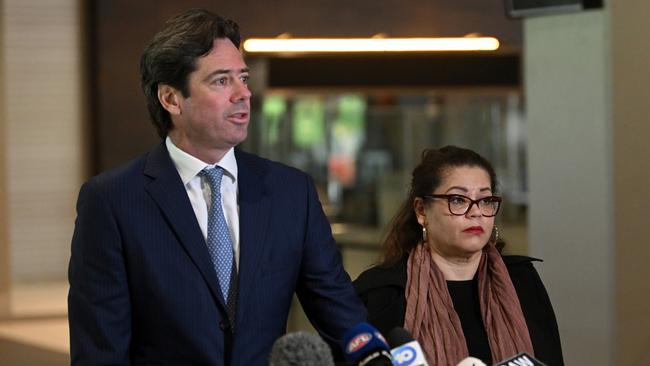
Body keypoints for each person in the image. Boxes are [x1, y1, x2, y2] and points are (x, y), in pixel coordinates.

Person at [68, 9, 365, 365]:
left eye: (243, 77)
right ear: (171, 99)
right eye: (222, 81)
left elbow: (344, 319)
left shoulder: (292, 192)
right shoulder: (112, 200)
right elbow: (100, 351)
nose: (244, 94)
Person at [354, 146, 563, 366]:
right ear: (421, 211)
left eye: (485, 200)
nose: (476, 212)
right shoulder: (379, 293)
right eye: (458, 200)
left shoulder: (522, 280)